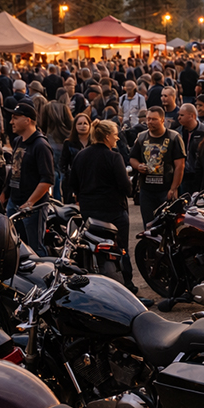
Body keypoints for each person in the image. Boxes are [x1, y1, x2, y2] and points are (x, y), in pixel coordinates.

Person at [71, 120, 135, 289]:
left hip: (90, 213)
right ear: (107, 136)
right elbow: (126, 188)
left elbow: (73, 184)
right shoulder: (114, 157)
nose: (117, 139)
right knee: (121, 250)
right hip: (114, 212)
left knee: (92, 250)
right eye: (115, 135)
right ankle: (127, 286)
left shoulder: (80, 155)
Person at [6, 102, 54, 256]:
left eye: (15, 118)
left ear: (27, 120)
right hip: (14, 203)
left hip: (33, 208)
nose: (11, 122)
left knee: (35, 249)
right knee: (15, 246)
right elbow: (14, 171)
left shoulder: (41, 145)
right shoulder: (18, 141)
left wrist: (30, 203)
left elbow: (47, 179)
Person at [130, 107, 186, 225]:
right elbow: (132, 158)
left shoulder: (173, 137)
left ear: (162, 120)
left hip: (165, 189)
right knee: (149, 225)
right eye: (148, 119)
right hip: (146, 190)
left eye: (154, 119)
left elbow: (180, 166)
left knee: (167, 225)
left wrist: (173, 188)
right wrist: (138, 166)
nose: (150, 122)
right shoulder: (141, 137)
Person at [176, 103, 204, 195]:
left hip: (199, 175)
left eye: (182, 115)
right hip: (183, 174)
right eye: (179, 115)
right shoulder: (178, 132)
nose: (179, 118)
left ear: (192, 116)